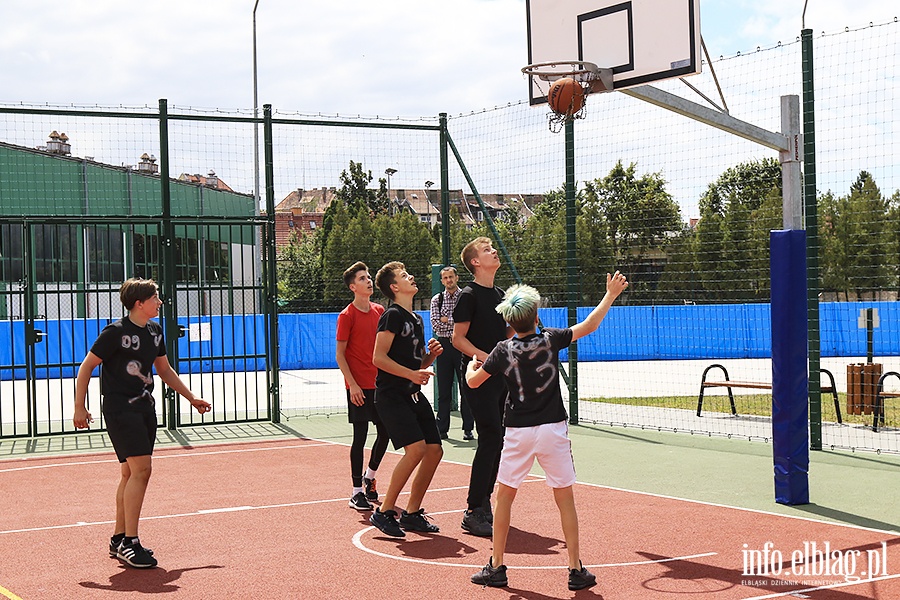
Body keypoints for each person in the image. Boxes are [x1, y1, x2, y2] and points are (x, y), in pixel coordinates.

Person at [466, 272, 628, 591]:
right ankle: (575, 569)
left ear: (509, 321)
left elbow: (474, 383)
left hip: (517, 432)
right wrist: (609, 294)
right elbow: (590, 325)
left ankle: (497, 566)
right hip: (553, 430)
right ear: (536, 316)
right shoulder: (550, 338)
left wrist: (472, 367)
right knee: (564, 498)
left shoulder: (501, 350)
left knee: (504, 498)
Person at [73, 278, 211, 569]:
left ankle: (119, 537)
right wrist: (79, 407)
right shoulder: (115, 332)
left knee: (128, 473)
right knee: (142, 470)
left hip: (145, 409)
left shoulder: (154, 331)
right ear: (139, 303)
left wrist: (191, 397)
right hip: (121, 409)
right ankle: (131, 543)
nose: (160, 302)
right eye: (155, 298)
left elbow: (164, 369)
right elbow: (86, 367)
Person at [368, 261, 444, 538]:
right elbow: (378, 358)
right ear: (394, 287)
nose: (411, 276)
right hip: (392, 396)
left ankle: (412, 514)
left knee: (434, 450)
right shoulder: (392, 316)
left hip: (413, 394)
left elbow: (416, 363)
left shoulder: (417, 319)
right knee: (416, 450)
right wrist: (413, 373)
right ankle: (384, 511)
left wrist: (431, 357)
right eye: (404, 275)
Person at [452, 237, 513, 538]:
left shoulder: (501, 295)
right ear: (475, 262)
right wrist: (488, 360)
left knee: (497, 439)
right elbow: (458, 339)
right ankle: (474, 509)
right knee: (490, 436)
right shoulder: (468, 295)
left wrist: (521, 320)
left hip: (500, 377)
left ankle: (484, 504)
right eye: (487, 250)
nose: (493, 252)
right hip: (478, 376)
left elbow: (506, 333)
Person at [336, 262, 391, 511]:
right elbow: (340, 355)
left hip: (380, 384)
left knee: (386, 432)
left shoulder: (379, 310)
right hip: (358, 387)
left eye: (368, 277)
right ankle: (356, 491)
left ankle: (370, 476)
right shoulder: (347, 316)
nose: (368, 281)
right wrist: (353, 385)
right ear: (352, 287)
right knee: (359, 437)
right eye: (362, 278)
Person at [429, 265, 474, 441]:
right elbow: (435, 324)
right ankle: (441, 429)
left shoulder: (466, 297)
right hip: (444, 346)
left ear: (457, 278)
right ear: (442, 281)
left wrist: (447, 319)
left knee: (466, 388)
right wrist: (455, 322)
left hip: (463, 344)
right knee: (444, 389)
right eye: (445, 278)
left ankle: (468, 428)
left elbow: (469, 322)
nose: (448, 280)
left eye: (451, 277)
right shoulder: (436, 300)